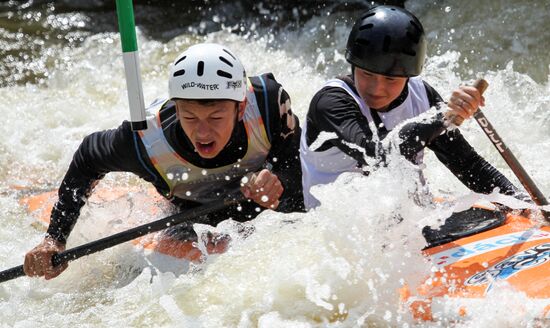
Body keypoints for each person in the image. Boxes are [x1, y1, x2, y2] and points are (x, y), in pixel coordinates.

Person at [24, 43, 304, 279]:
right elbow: (88, 157)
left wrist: (278, 178)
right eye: (190, 116)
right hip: (192, 215)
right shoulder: (145, 140)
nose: (203, 132)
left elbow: (296, 161)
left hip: (262, 202)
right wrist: (54, 239)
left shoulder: (268, 103)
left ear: (240, 107)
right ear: (176, 107)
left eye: (216, 118)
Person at [300, 5, 522, 209]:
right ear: (353, 65)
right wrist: (443, 116)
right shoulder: (331, 103)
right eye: (367, 74)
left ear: (408, 77)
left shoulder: (422, 95)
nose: (377, 89)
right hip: (347, 233)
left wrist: (522, 203)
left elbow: (467, 165)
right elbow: (381, 155)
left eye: (390, 80)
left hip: (409, 221)